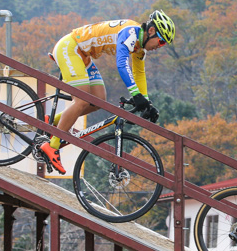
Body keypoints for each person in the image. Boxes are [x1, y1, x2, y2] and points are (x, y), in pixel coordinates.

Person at [40, 10, 175, 174]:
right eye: (160, 42)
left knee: (98, 100)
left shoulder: (140, 47)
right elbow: (121, 64)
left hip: (83, 55)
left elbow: (139, 73)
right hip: (70, 48)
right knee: (82, 101)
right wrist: (136, 94)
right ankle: (52, 146)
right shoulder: (130, 33)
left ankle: (53, 121)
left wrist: (147, 102)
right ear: (152, 31)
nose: (159, 47)